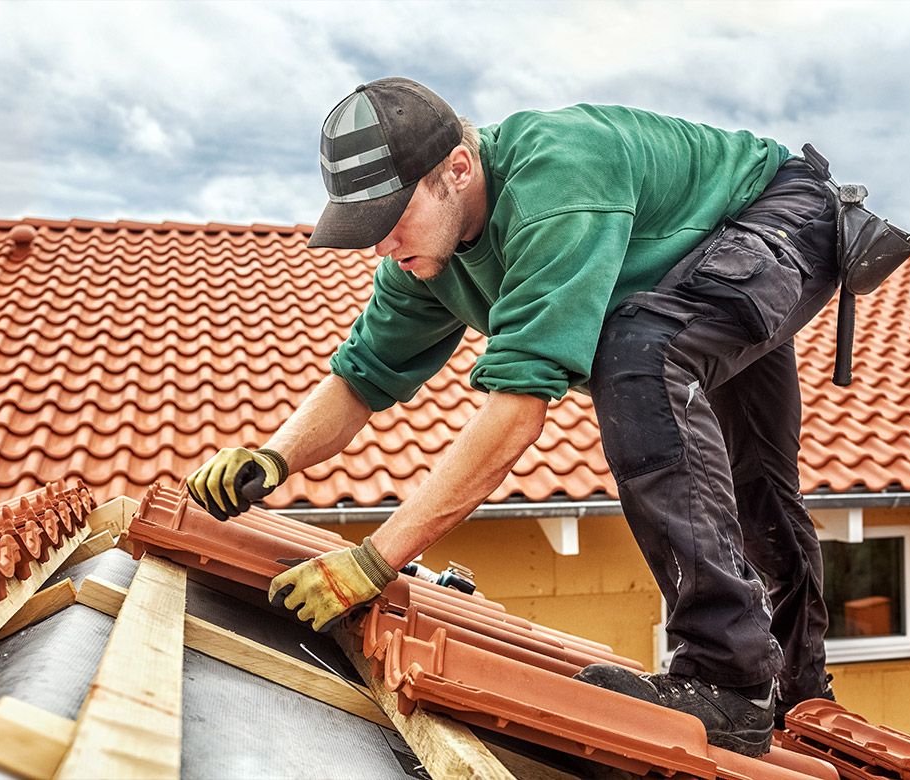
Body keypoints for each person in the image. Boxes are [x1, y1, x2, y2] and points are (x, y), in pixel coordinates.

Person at [187, 77, 839, 757]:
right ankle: (797, 688)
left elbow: (515, 415)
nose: (381, 245)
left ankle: (728, 676)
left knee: (638, 358)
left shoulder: (555, 178)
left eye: (390, 217)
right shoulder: (426, 260)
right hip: (700, 262)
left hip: (779, 214)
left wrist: (372, 561)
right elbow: (362, 377)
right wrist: (274, 456)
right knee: (754, 475)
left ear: (457, 170)